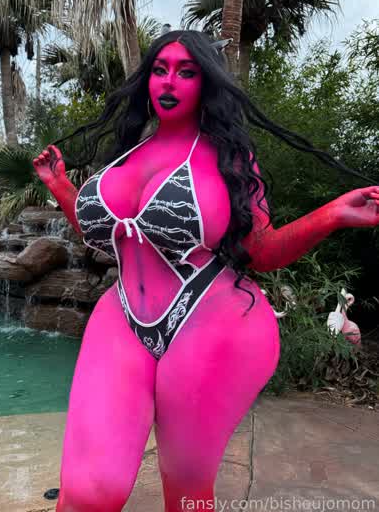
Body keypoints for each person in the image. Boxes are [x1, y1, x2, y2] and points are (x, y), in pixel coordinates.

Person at [33, 30, 379, 511]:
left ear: (206, 82)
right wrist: (62, 188)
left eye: (186, 71)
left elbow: (261, 250)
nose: (168, 81)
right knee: (90, 491)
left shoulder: (229, 159)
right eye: (160, 69)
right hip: (122, 318)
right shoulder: (126, 157)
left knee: (187, 491)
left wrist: (332, 214)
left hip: (210, 320)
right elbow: (111, 237)